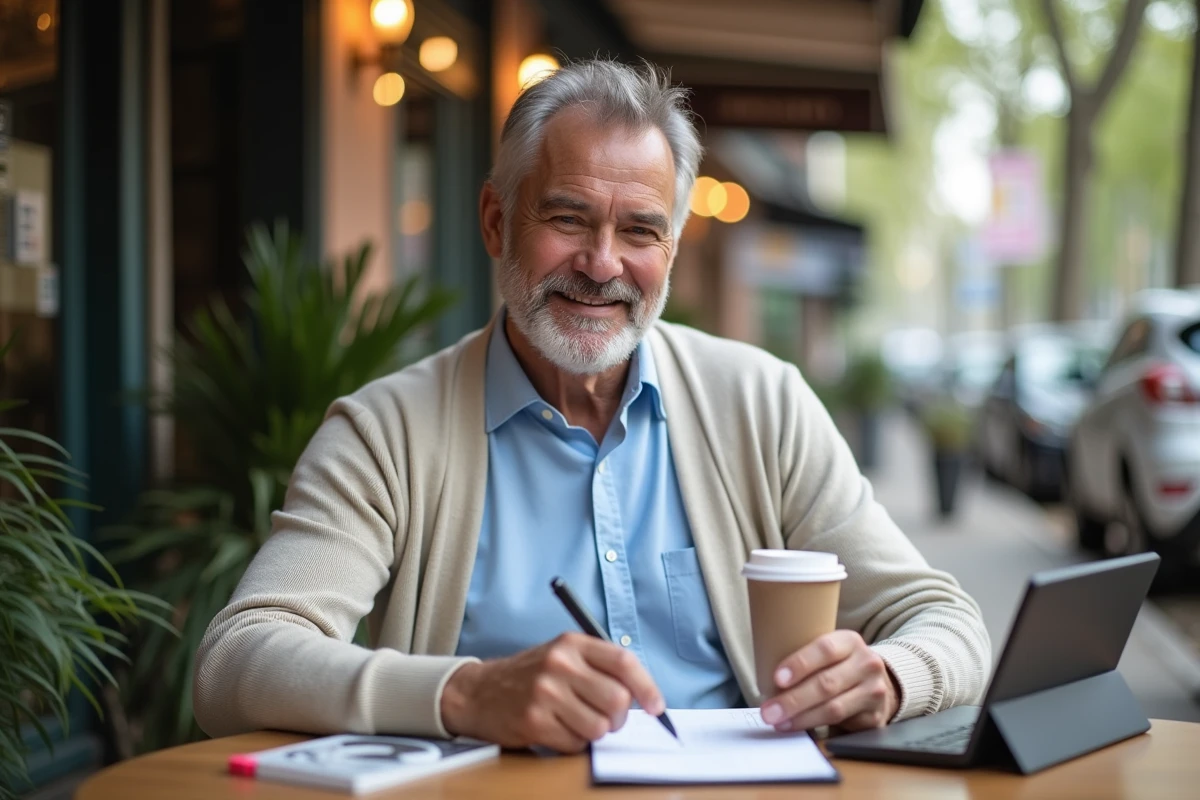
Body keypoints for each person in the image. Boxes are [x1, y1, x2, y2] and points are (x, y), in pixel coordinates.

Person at [194, 59, 990, 753]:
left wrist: (887, 675)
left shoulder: (761, 401)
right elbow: (237, 661)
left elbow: (943, 619)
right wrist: (464, 696)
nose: (602, 264)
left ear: (671, 251)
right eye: (568, 217)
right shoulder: (385, 433)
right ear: (497, 222)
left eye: (640, 230)